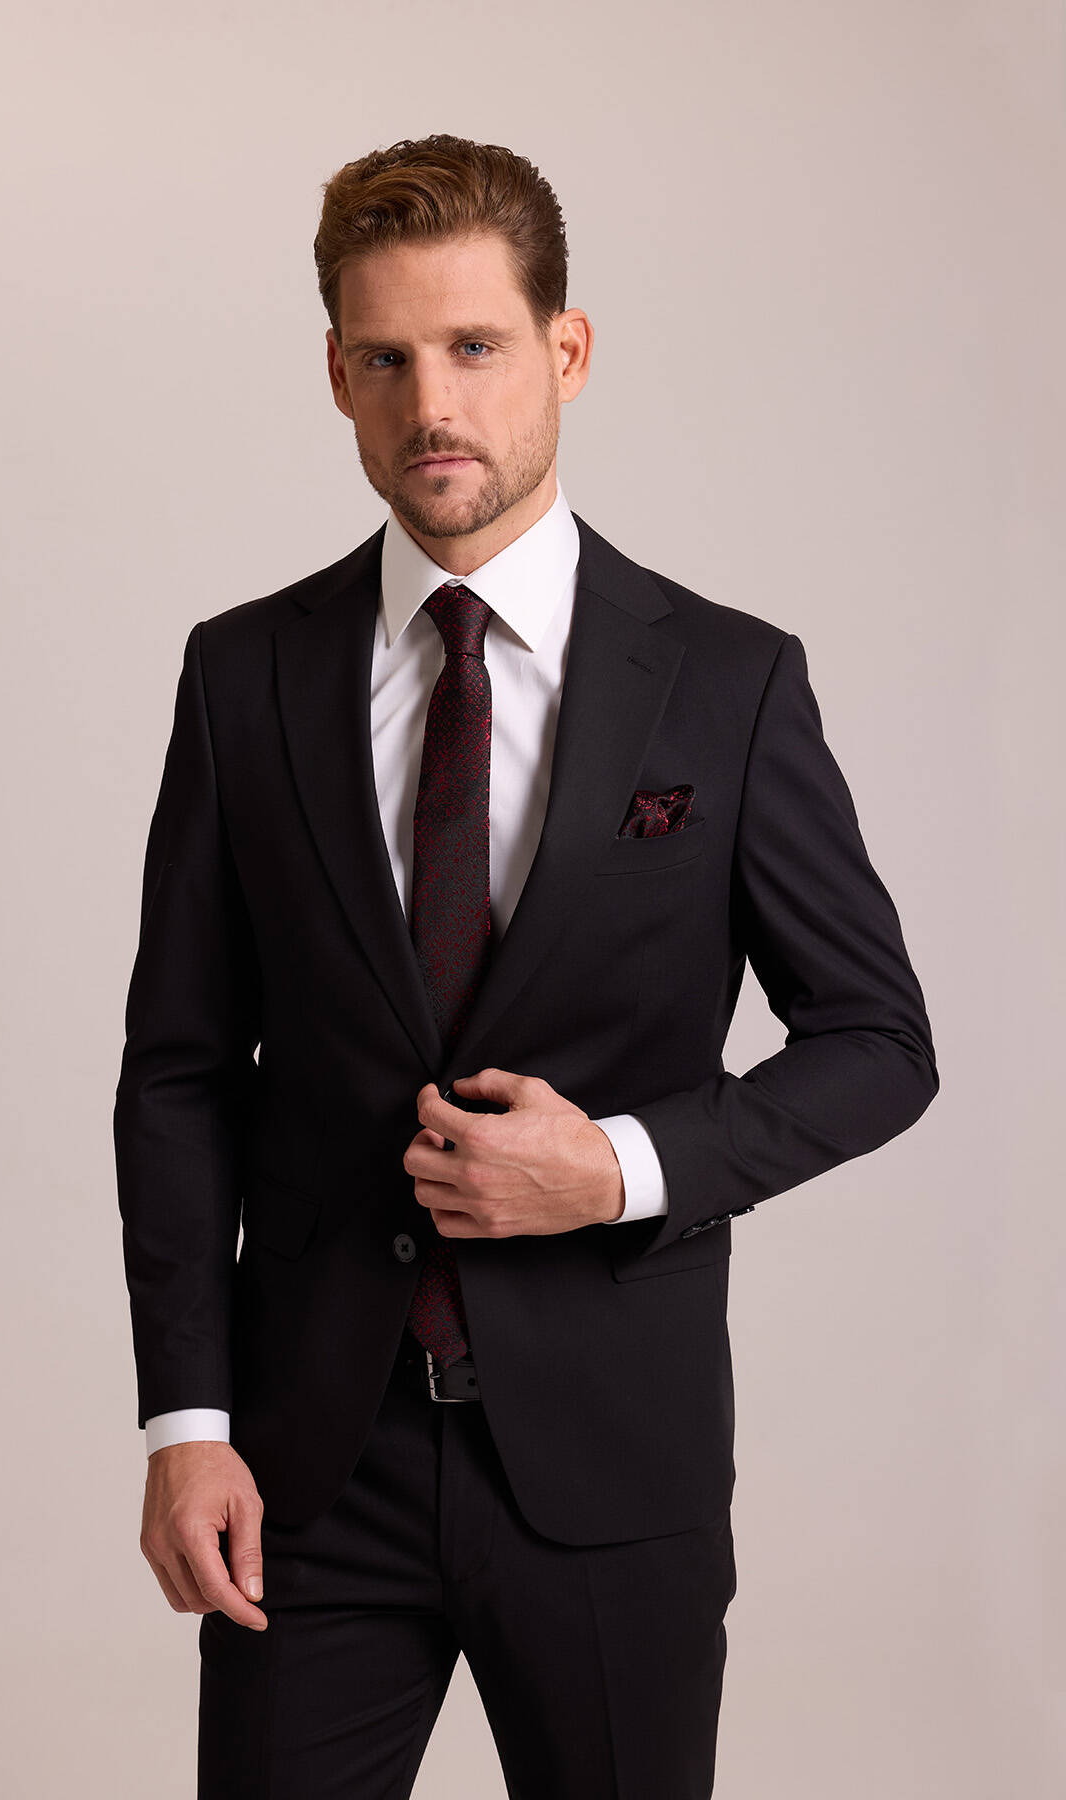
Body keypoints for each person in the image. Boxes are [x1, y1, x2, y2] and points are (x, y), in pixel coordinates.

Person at [113, 132, 939, 1799]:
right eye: (387, 359)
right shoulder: (242, 676)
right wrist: (187, 1426)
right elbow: (182, 1075)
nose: (434, 404)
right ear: (336, 376)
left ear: (567, 351)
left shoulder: (727, 683)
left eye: (476, 346)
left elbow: (878, 1041)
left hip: (612, 1470)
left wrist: (617, 1168)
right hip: (306, 1472)